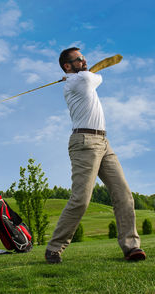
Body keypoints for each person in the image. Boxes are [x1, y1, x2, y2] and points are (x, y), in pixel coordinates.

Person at [45, 47, 146, 263]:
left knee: (123, 195)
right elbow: (96, 77)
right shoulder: (80, 81)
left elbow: (89, 74)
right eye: (79, 59)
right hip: (84, 143)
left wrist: (78, 72)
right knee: (81, 200)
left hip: (103, 142)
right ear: (67, 66)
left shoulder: (77, 79)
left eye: (83, 57)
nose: (84, 60)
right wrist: (81, 74)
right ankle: (54, 248)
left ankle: (131, 247)